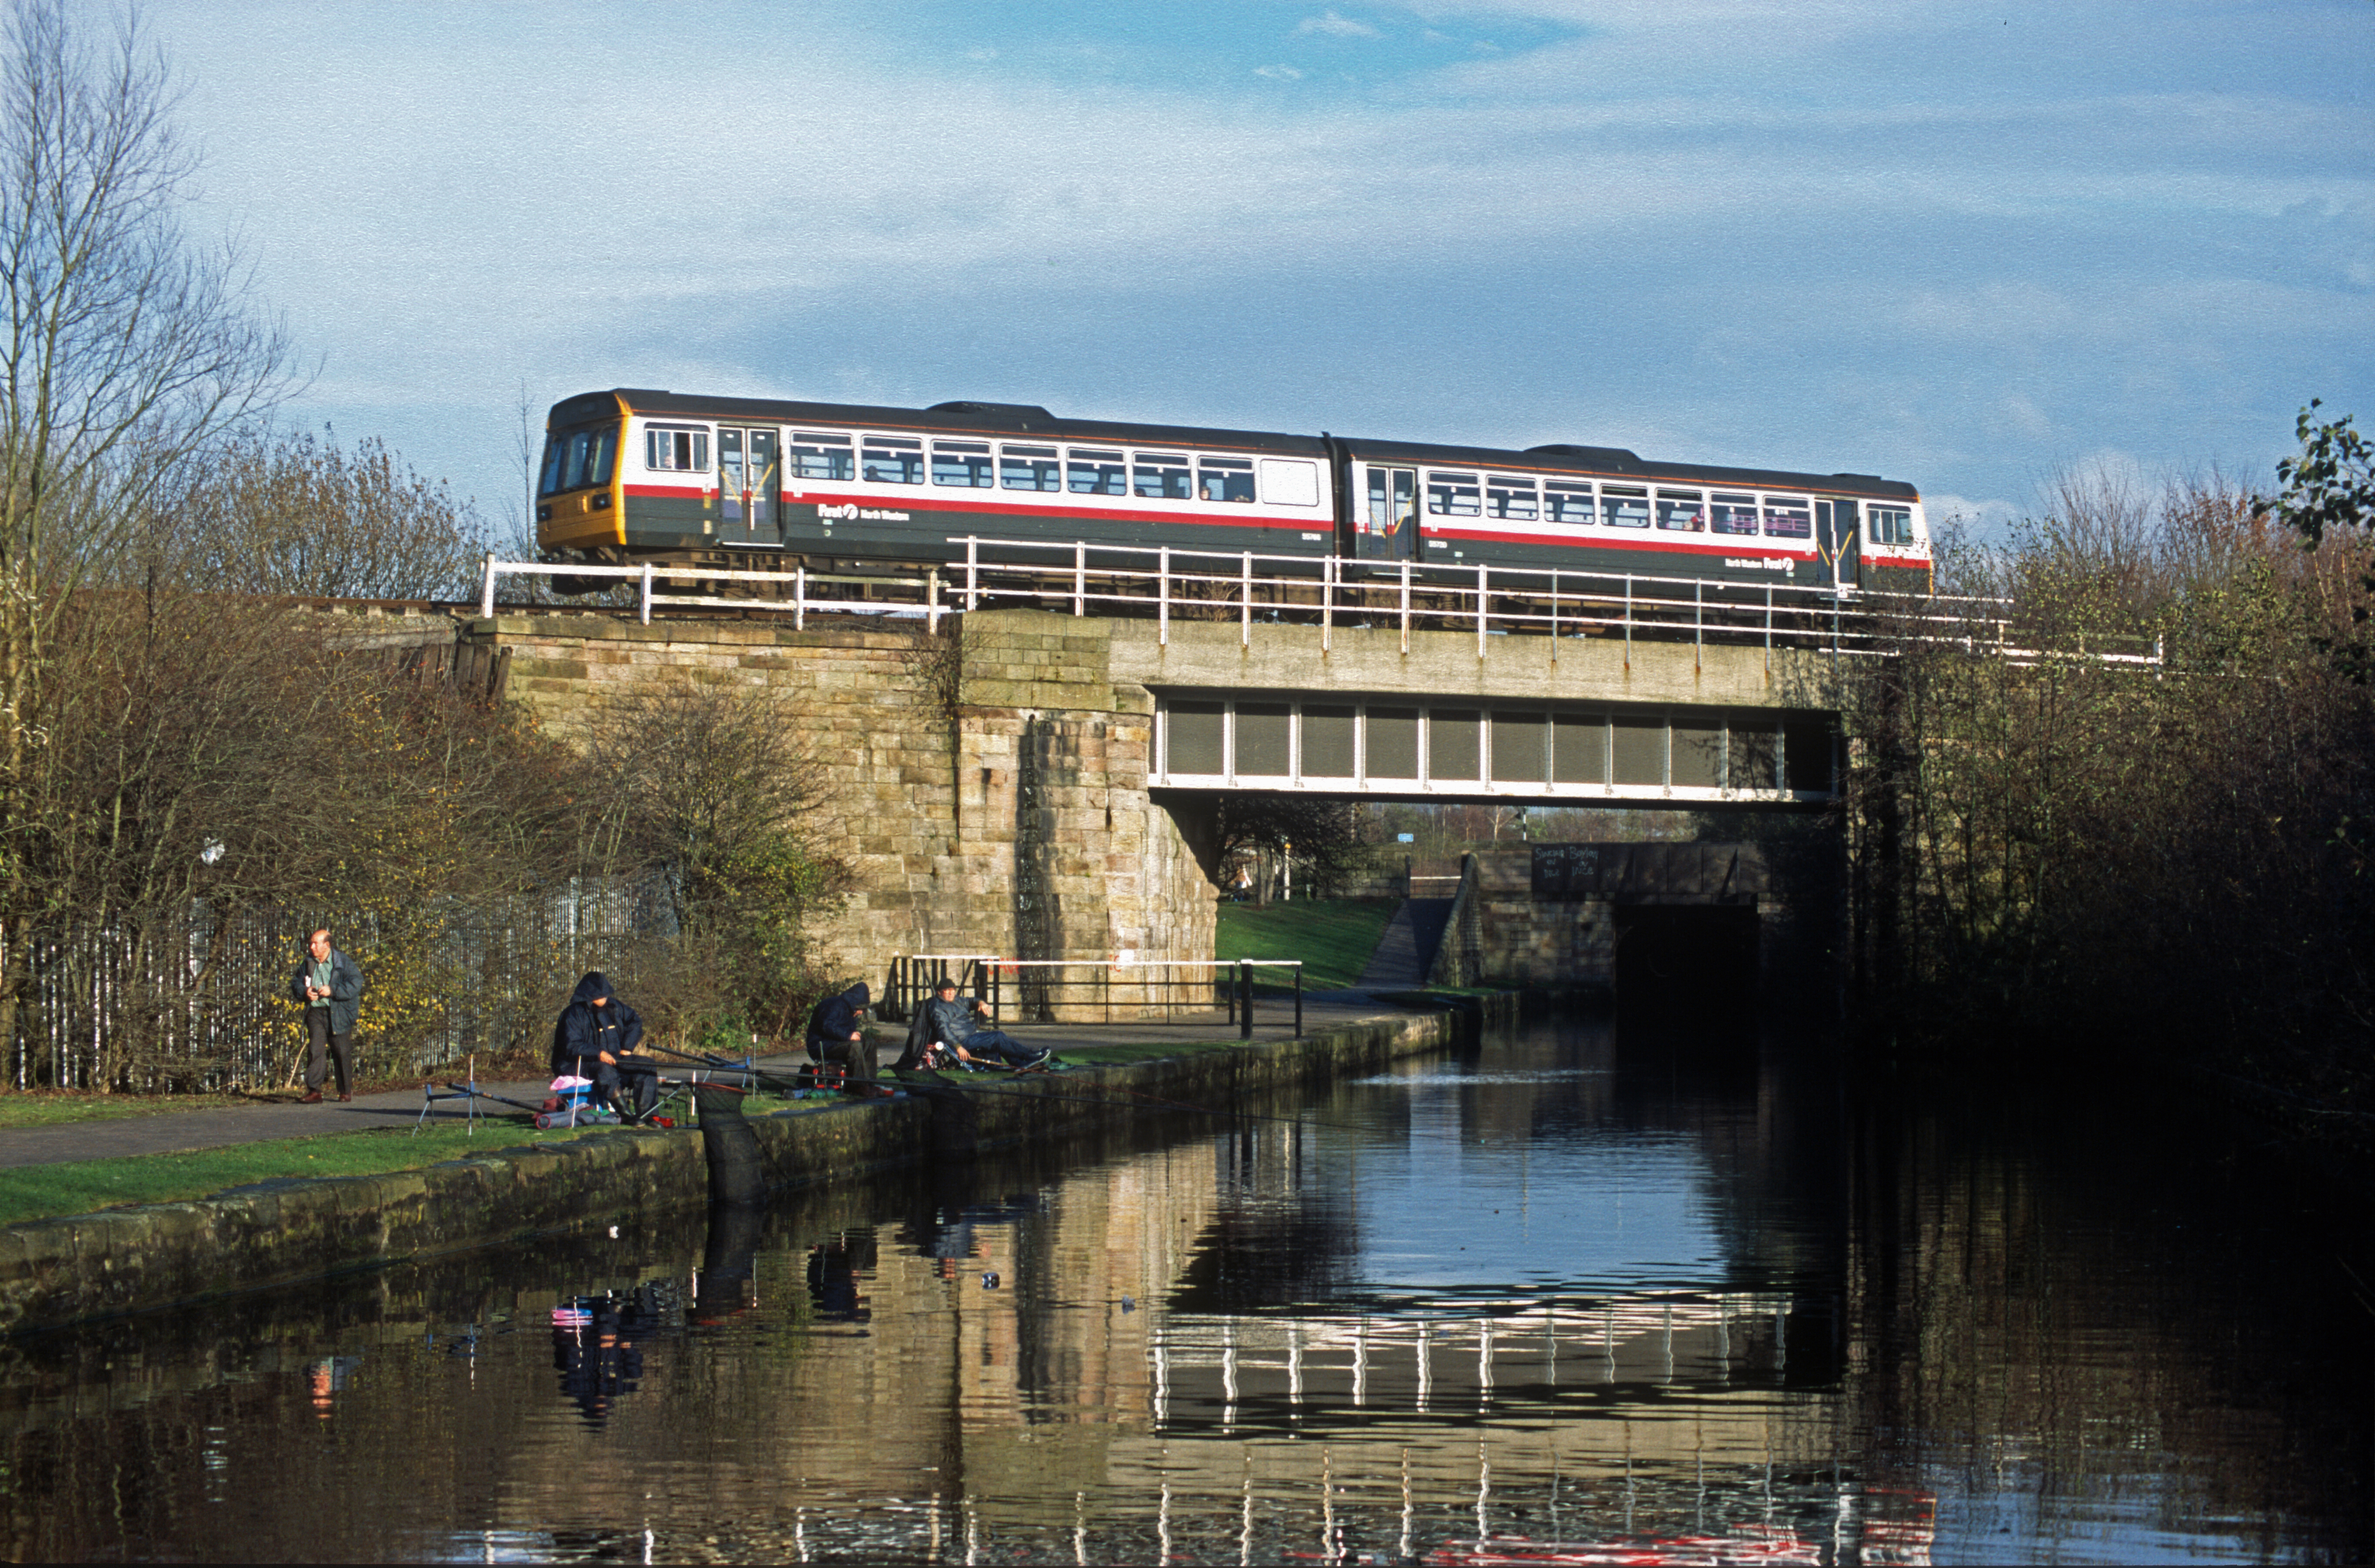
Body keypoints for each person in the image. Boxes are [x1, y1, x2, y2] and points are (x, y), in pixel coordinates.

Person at [549, 972, 660, 1122]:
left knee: (646, 1065)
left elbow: (635, 1022)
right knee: (604, 1070)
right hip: (574, 1064)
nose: (606, 997)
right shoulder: (572, 1014)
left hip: (612, 1058)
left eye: (607, 994)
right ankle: (626, 1115)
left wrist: (627, 1047)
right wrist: (599, 1053)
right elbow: (572, 1046)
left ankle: (649, 1116)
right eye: (602, 995)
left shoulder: (615, 1007)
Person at [288, 928, 364, 1104]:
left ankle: (345, 1091)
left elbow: (356, 983)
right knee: (315, 1050)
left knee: (341, 1051)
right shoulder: (308, 962)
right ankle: (315, 1092)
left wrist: (333, 990)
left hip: (338, 1012)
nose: (312, 946)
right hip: (315, 1012)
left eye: (316, 943)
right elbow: (295, 983)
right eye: (311, 943)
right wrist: (305, 992)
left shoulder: (343, 962)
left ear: (327, 945)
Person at [920, 977, 1050, 1070]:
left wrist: (981, 1003)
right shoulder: (937, 1007)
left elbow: (971, 1001)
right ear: (939, 992)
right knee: (997, 1037)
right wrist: (958, 1046)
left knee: (997, 1040)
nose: (950, 993)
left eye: (952, 990)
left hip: (971, 1035)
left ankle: (1019, 1064)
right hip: (962, 1041)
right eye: (947, 990)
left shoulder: (957, 1000)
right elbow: (943, 1030)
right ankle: (1030, 1055)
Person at [804, 982, 880, 1095]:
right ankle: (860, 1086)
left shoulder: (850, 1010)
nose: (861, 1012)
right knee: (854, 1047)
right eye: (860, 1009)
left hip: (835, 1044)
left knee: (870, 1043)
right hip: (821, 1046)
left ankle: (869, 1084)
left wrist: (853, 1035)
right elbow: (827, 1026)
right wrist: (848, 1036)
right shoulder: (835, 1005)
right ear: (854, 1003)